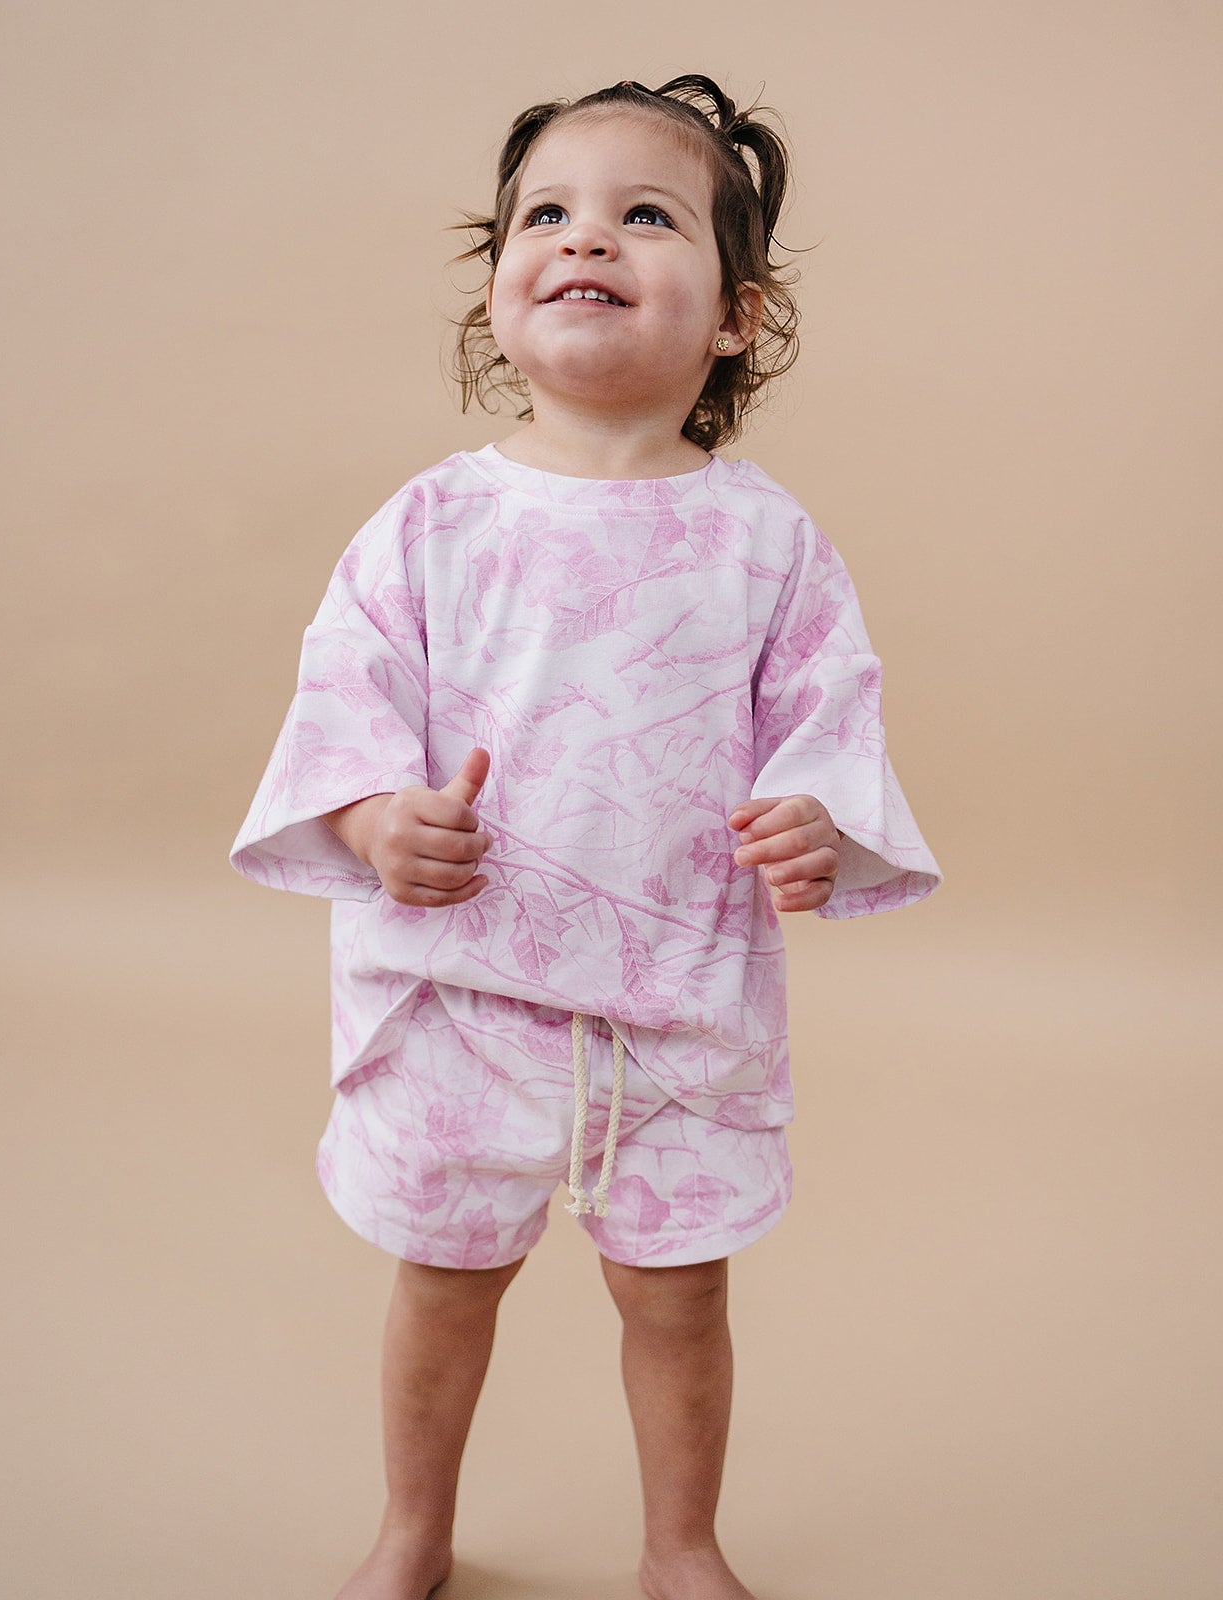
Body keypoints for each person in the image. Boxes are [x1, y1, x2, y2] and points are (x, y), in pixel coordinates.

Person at [230, 74, 940, 1600]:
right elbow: (343, 708)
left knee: (677, 1298)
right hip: (459, 994)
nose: (585, 237)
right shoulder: (431, 525)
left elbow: (830, 720)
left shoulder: (767, 542)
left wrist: (815, 820)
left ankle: (681, 1544)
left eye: (645, 214)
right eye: (545, 213)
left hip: (674, 1004)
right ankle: (413, 1532)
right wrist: (376, 820)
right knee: (445, 1282)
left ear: (737, 315)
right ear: (497, 294)